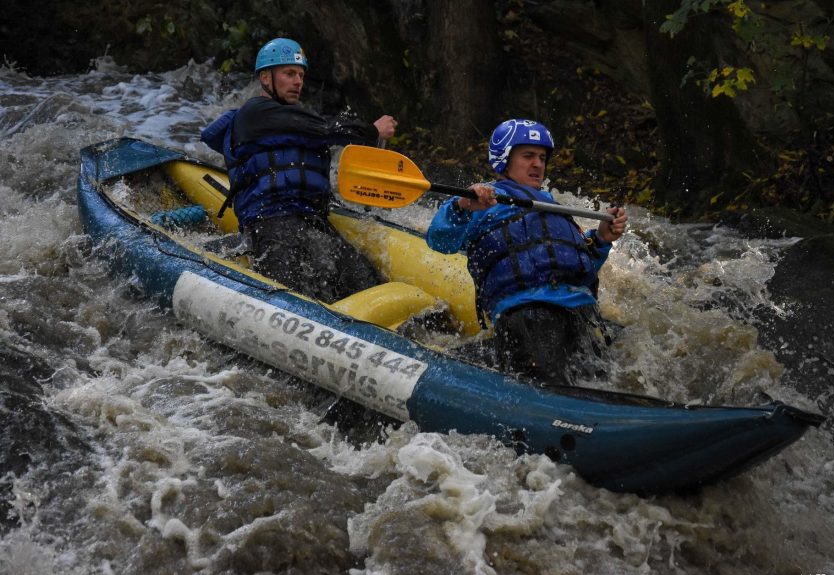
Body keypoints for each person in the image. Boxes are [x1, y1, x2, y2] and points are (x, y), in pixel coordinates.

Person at [426, 118, 628, 385]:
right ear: (504, 160)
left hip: (580, 316)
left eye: (542, 158)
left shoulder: (556, 208)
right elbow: (439, 240)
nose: (538, 164)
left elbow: (572, 265)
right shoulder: (483, 200)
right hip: (529, 318)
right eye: (528, 156)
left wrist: (602, 239)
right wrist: (463, 206)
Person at [201, 38, 397, 302]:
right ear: (266, 78)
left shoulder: (298, 118)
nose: (298, 82)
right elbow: (325, 129)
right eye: (289, 73)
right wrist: (371, 131)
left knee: (366, 283)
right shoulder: (255, 113)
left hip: (312, 222)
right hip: (269, 222)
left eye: (301, 75)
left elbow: (316, 130)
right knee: (295, 296)